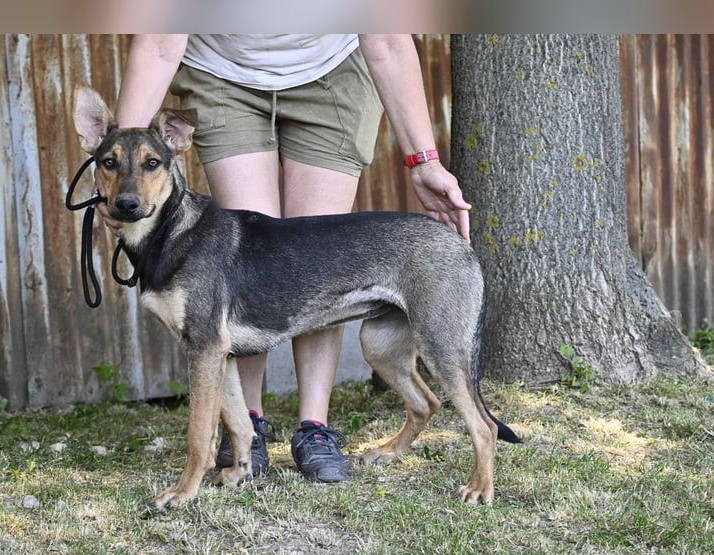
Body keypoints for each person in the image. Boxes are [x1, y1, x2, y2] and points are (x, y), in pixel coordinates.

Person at [96, 34, 471, 483]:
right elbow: (159, 42)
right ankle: (246, 434)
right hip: (225, 75)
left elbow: (388, 40)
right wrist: (126, 180)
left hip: (333, 72)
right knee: (249, 262)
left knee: (318, 263)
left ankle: (314, 427)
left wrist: (424, 161)